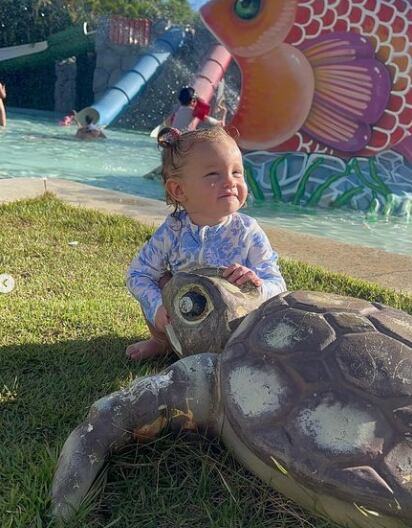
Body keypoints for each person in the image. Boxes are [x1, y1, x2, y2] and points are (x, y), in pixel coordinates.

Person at [126, 126, 287, 361]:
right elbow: (138, 273)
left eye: (237, 172)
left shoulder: (247, 232)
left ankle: (229, 354)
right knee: (162, 281)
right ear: (179, 190)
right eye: (214, 175)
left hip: (235, 330)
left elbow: (279, 285)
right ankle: (162, 342)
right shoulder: (173, 232)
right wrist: (157, 307)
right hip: (181, 321)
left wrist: (257, 283)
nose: (230, 182)